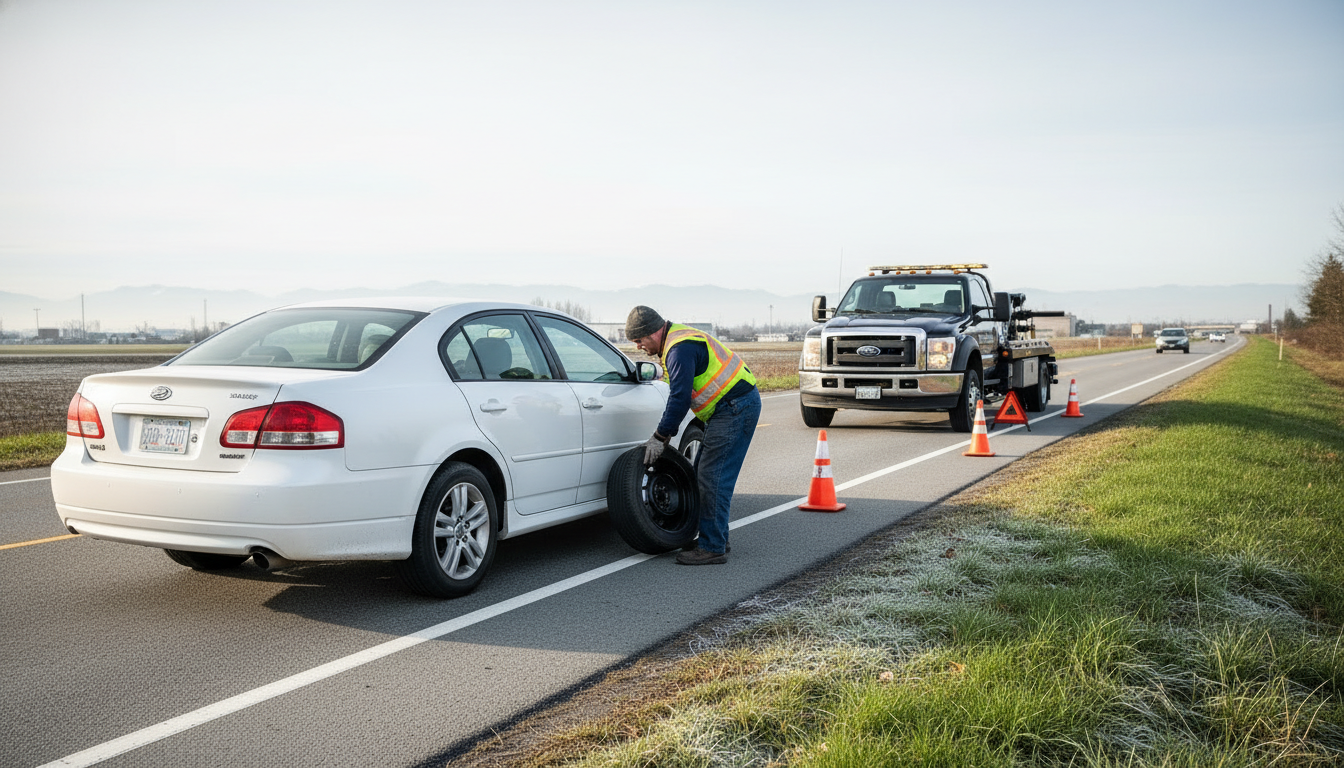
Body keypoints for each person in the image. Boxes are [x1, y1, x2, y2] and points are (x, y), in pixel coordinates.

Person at [625, 305, 761, 565]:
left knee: (712, 478)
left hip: (735, 408)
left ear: (651, 333)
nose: (638, 347)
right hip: (731, 407)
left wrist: (660, 436)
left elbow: (679, 398)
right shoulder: (677, 339)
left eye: (639, 340)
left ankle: (713, 547)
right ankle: (715, 537)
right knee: (705, 475)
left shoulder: (678, 350)